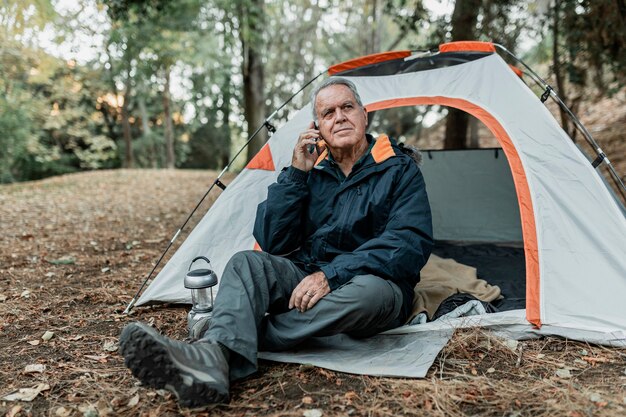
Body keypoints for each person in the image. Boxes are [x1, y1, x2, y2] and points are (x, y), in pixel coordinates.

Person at [119, 78, 433, 408]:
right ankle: (213, 362)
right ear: (318, 128)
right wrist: (297, 173)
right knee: (246, 263)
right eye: (328, 113)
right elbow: (273, 241)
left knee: (368, 294)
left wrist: (331, 276)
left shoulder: (399, 169)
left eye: (347, 107)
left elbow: (408, 243)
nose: (339, 117)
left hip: (374, 285)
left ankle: (222, 340)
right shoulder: (312, 170)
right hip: (307, 274)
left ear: (364, 115)